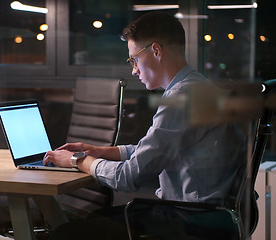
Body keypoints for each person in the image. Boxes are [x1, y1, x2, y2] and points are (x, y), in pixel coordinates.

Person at [44, 11, 246, 239]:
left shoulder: (183, 99)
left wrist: (76, 160)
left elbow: (128, 177)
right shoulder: (198, 88)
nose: (134, 69)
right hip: (208, 215)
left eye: (134, 59)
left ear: (156, 51)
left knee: (68, 233)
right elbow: (153, 151)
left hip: (191, 221)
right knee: (93, 222)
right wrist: (98, 151)